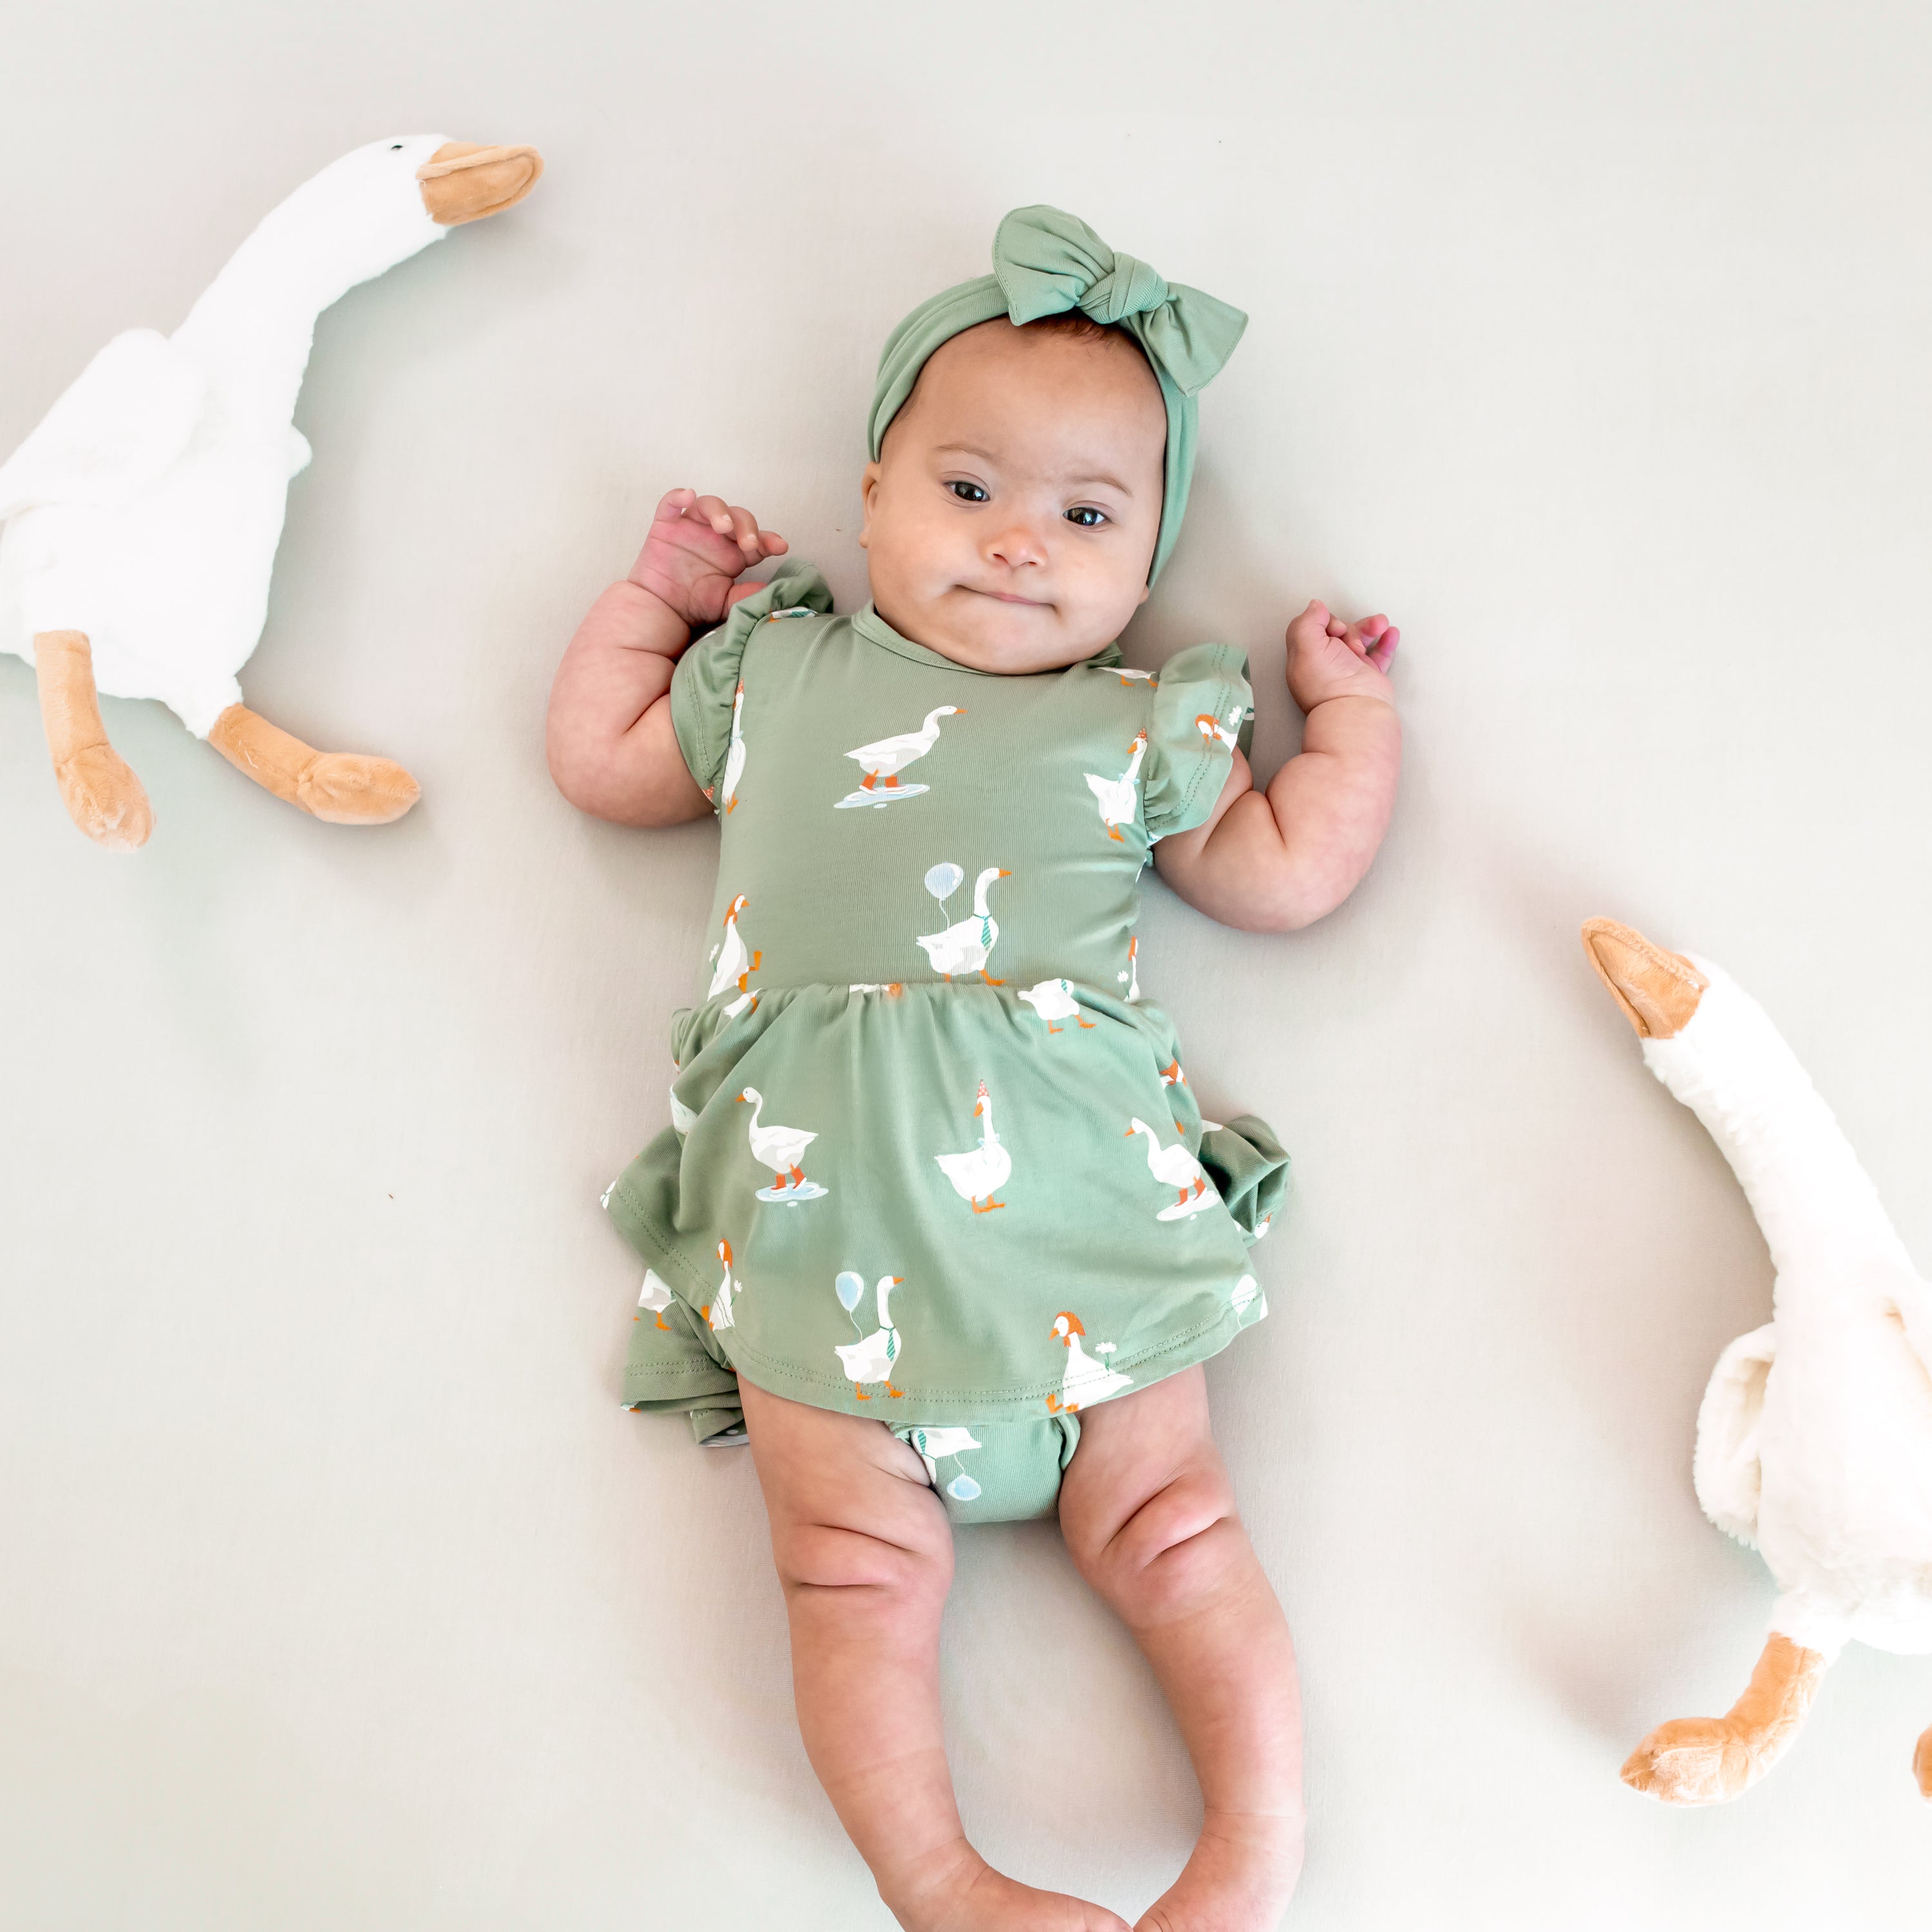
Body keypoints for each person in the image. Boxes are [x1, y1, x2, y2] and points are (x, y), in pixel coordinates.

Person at [547, 206, 1401, 1931]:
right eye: (968, 490)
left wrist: (1353, 724)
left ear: (1148, 562)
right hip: (818, 1226)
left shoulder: (1138, 722)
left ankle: (1251, 1851)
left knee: (1176, 1531)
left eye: (1086, 516)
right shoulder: (776, 671)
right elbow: (603, 765)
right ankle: (938, 1883)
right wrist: (655, 605)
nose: (1022, 544)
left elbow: (1287, 875)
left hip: (1079, 1215)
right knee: (846, 1573)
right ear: (869, 494)